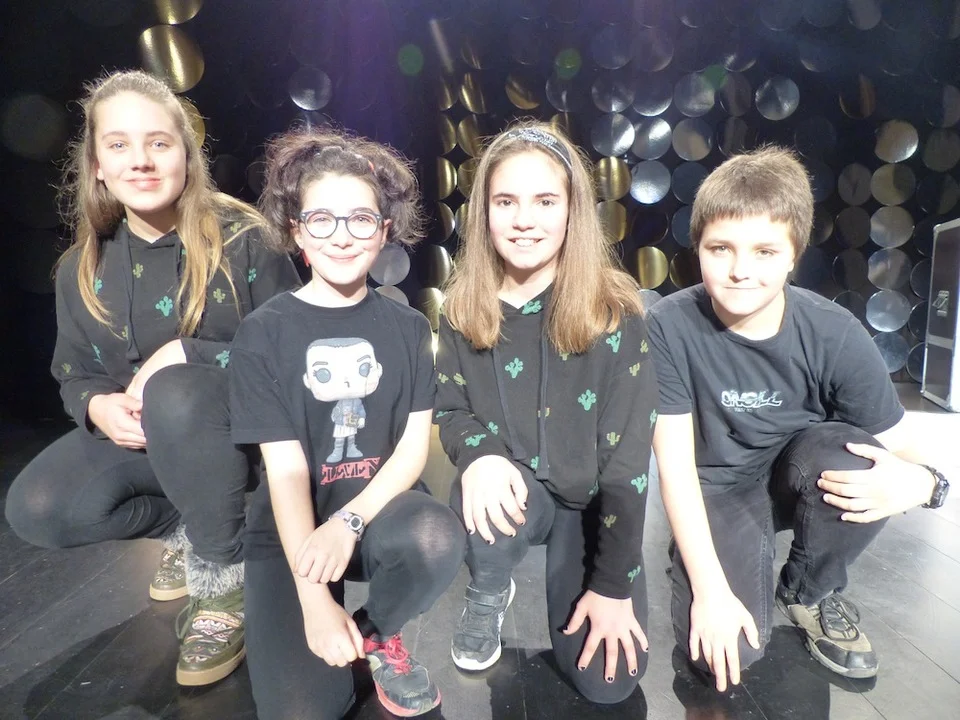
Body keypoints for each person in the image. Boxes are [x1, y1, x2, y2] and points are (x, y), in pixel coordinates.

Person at [5, 70, 301, 686]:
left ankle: (223, 580)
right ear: (97, 165)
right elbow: (74, 372)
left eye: (158, 143)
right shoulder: (80, 267)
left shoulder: (248, 240)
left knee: (177, 391)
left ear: (186, 156)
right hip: (151, 448)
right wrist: (96, 406)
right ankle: (193, 529)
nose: (139, 160)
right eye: (118, 144)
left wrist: (190, 354)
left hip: (245, 448)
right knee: (37, 508)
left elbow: (295, 354)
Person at [647, 146, 953, 691]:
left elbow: (903, 445)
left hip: (802, 479)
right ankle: (715, 561)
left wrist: (926, 483)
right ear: (698, 249)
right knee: (724, 657)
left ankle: (810, 593)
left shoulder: (833, 332)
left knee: (859, 460)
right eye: (721, 248)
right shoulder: (667, 326)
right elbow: (673, 470)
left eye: (765, 251)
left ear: (793, 256)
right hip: (716, 492)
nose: (741, 270)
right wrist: (710, 589)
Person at [229, 128, 465, 719]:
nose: (341, 235)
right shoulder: (263, 332)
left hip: (378, 512)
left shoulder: (410, 328)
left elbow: (411, 451)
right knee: (305, 710)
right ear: (297, 230)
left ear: (384, 230)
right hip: (292, 530)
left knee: (435, 535)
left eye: (360, 219)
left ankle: (378, 632)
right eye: (322, 219)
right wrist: (313, 602)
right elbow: (285, 471)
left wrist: (350, 521)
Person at [435, 121, 657, 704]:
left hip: (592, 506)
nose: (524, 220)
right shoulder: (462, 308)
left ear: (572, 210)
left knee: (608, 685)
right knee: (474, 493)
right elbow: (452, 409)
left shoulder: (615, 311)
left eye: (545, 201)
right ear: (484, 212)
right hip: (516, 493)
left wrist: (613, 586)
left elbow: (628, 467)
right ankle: (489, 586)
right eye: (505, 202)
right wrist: (480, 456)